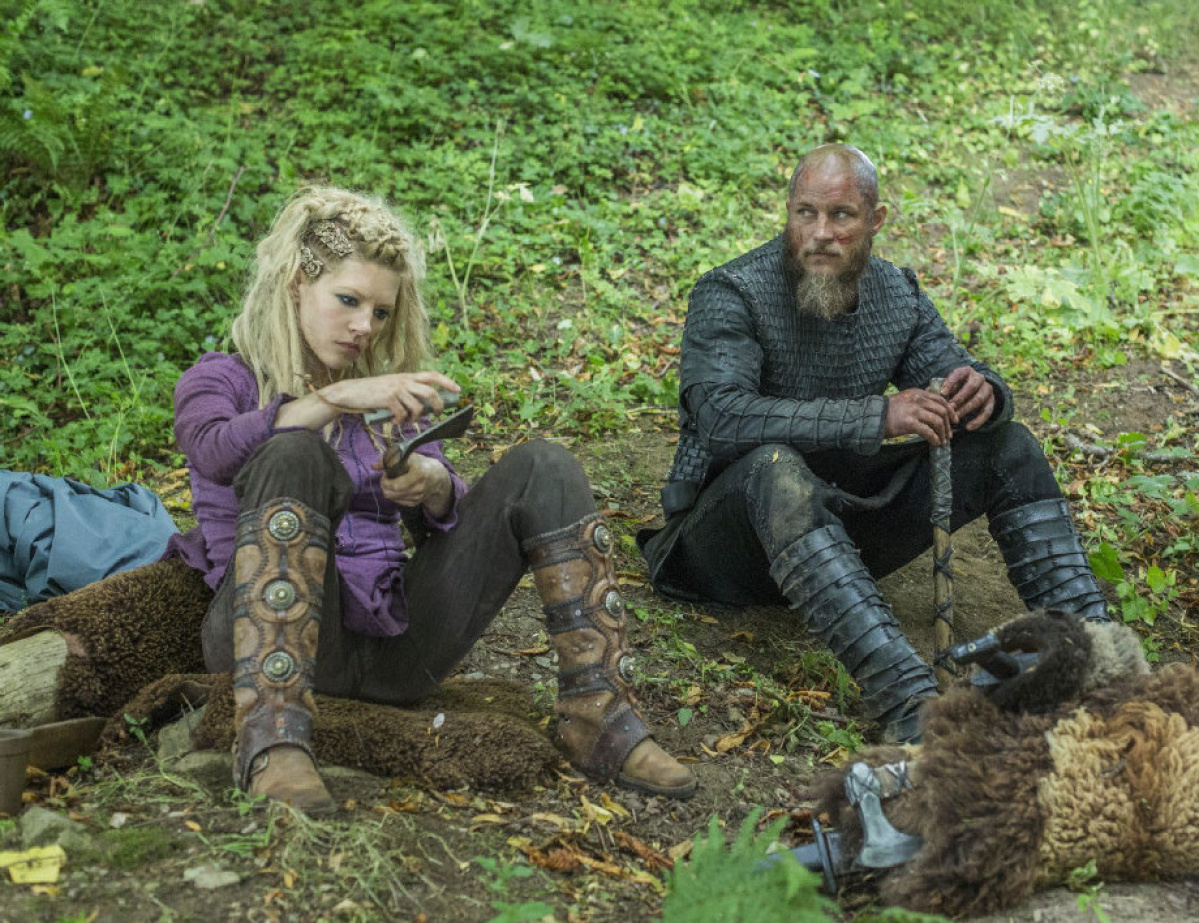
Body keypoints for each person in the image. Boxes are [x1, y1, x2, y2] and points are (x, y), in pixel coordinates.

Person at [165, 186, 695, 812]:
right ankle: (272, 738)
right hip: (259, 647)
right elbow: (211, 449)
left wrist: (432, 485)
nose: (365, 326)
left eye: (381, 311)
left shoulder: (388, 395)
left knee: (544, 466)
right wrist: (330, 401)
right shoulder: (221, 377)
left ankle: (600, 717)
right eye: (348, 300)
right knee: (295, 451)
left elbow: (449, 518)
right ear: (297, 284)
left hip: (394, 651)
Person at [638, 145, 1110, 744]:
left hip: (838, 536)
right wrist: (877, 415)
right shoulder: (732, 291)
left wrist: (983, 391)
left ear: (876, 220)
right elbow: (723, 420)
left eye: (841, 215)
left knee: (1007, 446)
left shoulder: (896, 293)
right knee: (775, 468)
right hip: (724, 546)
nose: (820, 233)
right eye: (806, 213)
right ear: (788, 213)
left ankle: (1097, 657)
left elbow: (952, 370)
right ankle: (909, 703)